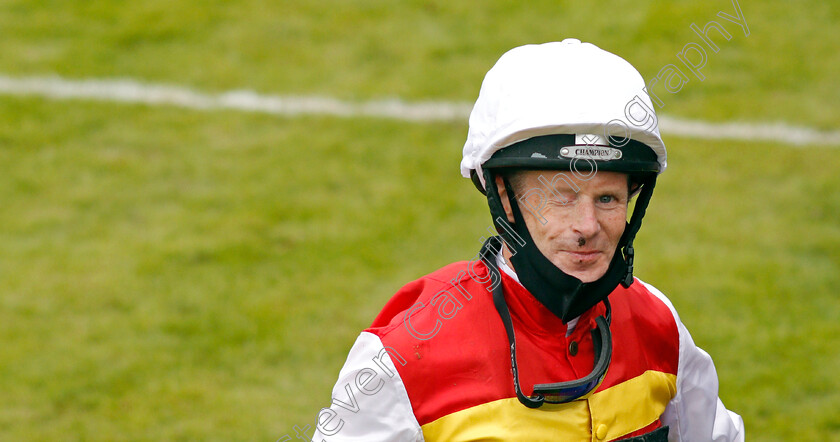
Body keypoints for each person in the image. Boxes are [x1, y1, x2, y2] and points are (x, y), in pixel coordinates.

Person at [311, 39, 744, 441]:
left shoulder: (658, 324)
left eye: (608, 198)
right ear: (505, 196)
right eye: (563, 197)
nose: (588, 225)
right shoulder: (405, 355)